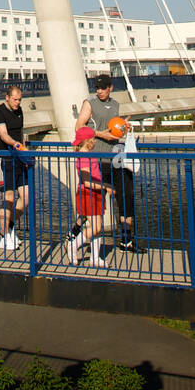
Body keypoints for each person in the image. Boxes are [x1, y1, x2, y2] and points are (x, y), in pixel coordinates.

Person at [76, 74, 143, 252]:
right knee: (93, 201)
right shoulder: (89, 103)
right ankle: (74, 234)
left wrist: (123, 127)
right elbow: (79, 127)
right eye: (97, 88)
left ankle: (127, 241)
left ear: (110, 88)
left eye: (103, 88)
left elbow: (116, 128)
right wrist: (100, 134)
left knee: (125, 197)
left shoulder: (115, 104)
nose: (99, 91)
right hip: (98, 160)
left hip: (116, 158)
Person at [0, 85, 28, 252]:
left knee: (26, 197)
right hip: (3, 159)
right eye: (15, 100)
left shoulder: (19, 110)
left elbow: (21, 131)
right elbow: (4, 135)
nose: (17, 103)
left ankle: (9, 226)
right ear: (7, 97)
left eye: (19, 100)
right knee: (8, 197)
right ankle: (4, 236)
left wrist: (24, 151)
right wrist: (17, 145)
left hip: (18, 158)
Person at [66, 126, 106, 267]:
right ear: (88, 141)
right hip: (88, 193)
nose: (95, 141)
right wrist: (105, 186)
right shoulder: (84, 157)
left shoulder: (88, 154)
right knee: (96, 227)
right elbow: (87, 181)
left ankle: (95, 258)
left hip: (95, 193)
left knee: (98, 227)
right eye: (93, 139)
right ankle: (73, 245)